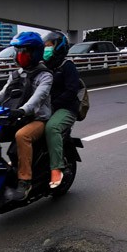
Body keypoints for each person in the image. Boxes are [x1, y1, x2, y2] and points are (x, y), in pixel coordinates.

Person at [0, 32, 53, 201]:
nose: (20, 54)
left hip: (38, 119)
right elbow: (2, 95)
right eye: (18, 50)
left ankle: (25, 181)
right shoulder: (16, 74)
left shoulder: (45, 75)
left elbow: (38, 99)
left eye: (24, 51)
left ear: (35, 52)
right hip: (17, 117)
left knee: (22, 136)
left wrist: (22, 110)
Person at [42, 31, 81, 188]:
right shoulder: (43, 67)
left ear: (59, 47)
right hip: (47, 108)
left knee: (52, 128)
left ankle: (56, 168)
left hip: (66, 108)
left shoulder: (67, 66)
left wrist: (53, 104)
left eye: (49, 46)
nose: (46, 49)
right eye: (44, 46)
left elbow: (72, 91)